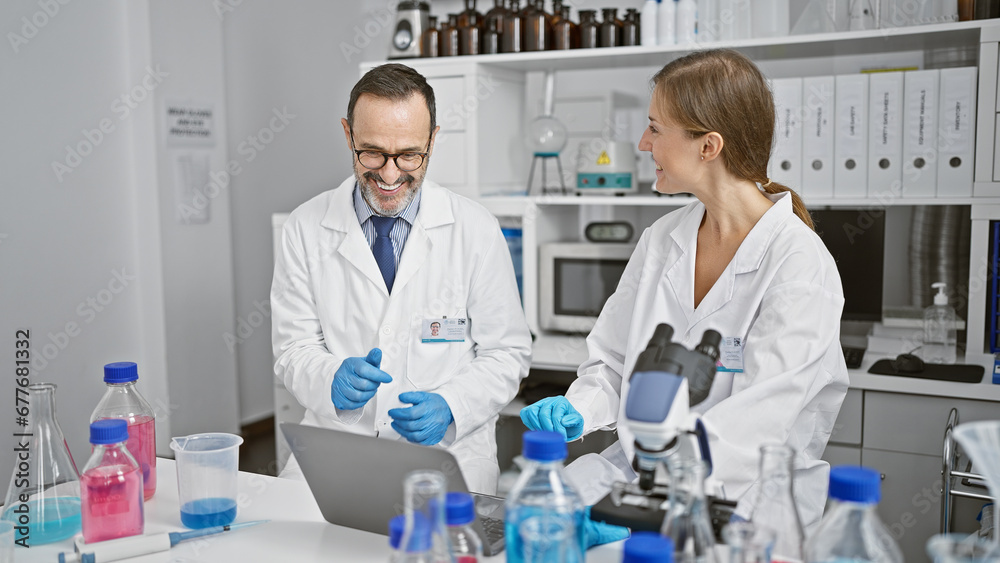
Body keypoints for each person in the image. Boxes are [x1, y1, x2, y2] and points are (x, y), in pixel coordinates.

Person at [520, 49, 849, 532]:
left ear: (708, 146)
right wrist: (579, 406)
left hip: (745, 507)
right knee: (530, 518)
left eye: (655, 128)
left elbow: (756, 427)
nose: (642, 142)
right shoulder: (663, 238)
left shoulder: (799, 264)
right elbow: (614, 360)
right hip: (639, 478)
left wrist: (643, 509)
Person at [271, 63, 531, 495]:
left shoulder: (476, 229)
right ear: (348, 134)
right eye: (371, 152)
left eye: (409, 155)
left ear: (432, 140)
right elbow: (292, 349)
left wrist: (452, 405)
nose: (390, 175)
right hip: (337, 448)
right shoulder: (305, 226)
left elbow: (508, 353)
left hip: (448, 455)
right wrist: (329, 377)